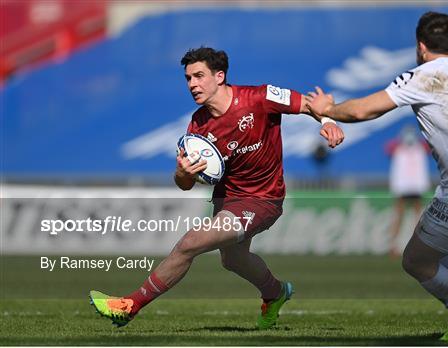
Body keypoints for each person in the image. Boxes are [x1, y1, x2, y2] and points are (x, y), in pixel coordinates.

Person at [89, 47, 344, 329]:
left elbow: (309, 104)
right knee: (233, 260)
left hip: (264, 199)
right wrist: (181, 173)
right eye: (188, 78)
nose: (192, 84)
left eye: (199, 76)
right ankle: (275, 293)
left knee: (190, 243)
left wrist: (329, 121)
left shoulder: (260, 97)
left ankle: (129, 305)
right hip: (228, 199)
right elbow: (185, 184)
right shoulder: (197, 127)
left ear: (219, 76)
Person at [306, 11, 448, 341]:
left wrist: (327, 109)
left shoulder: (425, 77)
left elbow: (364, 110)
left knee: (415, 260)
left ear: (421, 47)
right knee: (436, 248)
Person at [385, 125, 430, 257]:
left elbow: (429, 146)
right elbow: (389, 147)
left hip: (415, 185)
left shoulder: (420, 147)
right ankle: (393, 245)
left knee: (418, 217)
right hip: (403, 186)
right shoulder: (398, 148)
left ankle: (418, 245)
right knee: (399, 215)